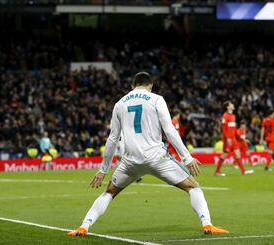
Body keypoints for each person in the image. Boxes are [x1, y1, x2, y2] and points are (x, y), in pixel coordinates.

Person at [67, 72, 229, 236]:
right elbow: (169, 130)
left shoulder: (119, 104)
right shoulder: (156, 99)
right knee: (193, 187)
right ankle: (207, 224)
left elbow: (113, 138)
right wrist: (186, 157)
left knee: (109, 192)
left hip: (130, 162)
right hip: (157, 158)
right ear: (150, 86)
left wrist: (103, 170)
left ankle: (83, 226)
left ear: (132, 86)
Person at [214, 101, 254, 176]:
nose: (233, 105)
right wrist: (227, 138)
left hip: (233, 139)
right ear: (228, 107)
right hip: (227, 139)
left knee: (238, 154)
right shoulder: (225, 116)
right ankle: (217, 171)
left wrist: (240, 138)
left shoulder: (233, 116)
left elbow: (234, 129)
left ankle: (243, 171)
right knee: (224, 155)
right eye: (231, 104)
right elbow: (223, 128)